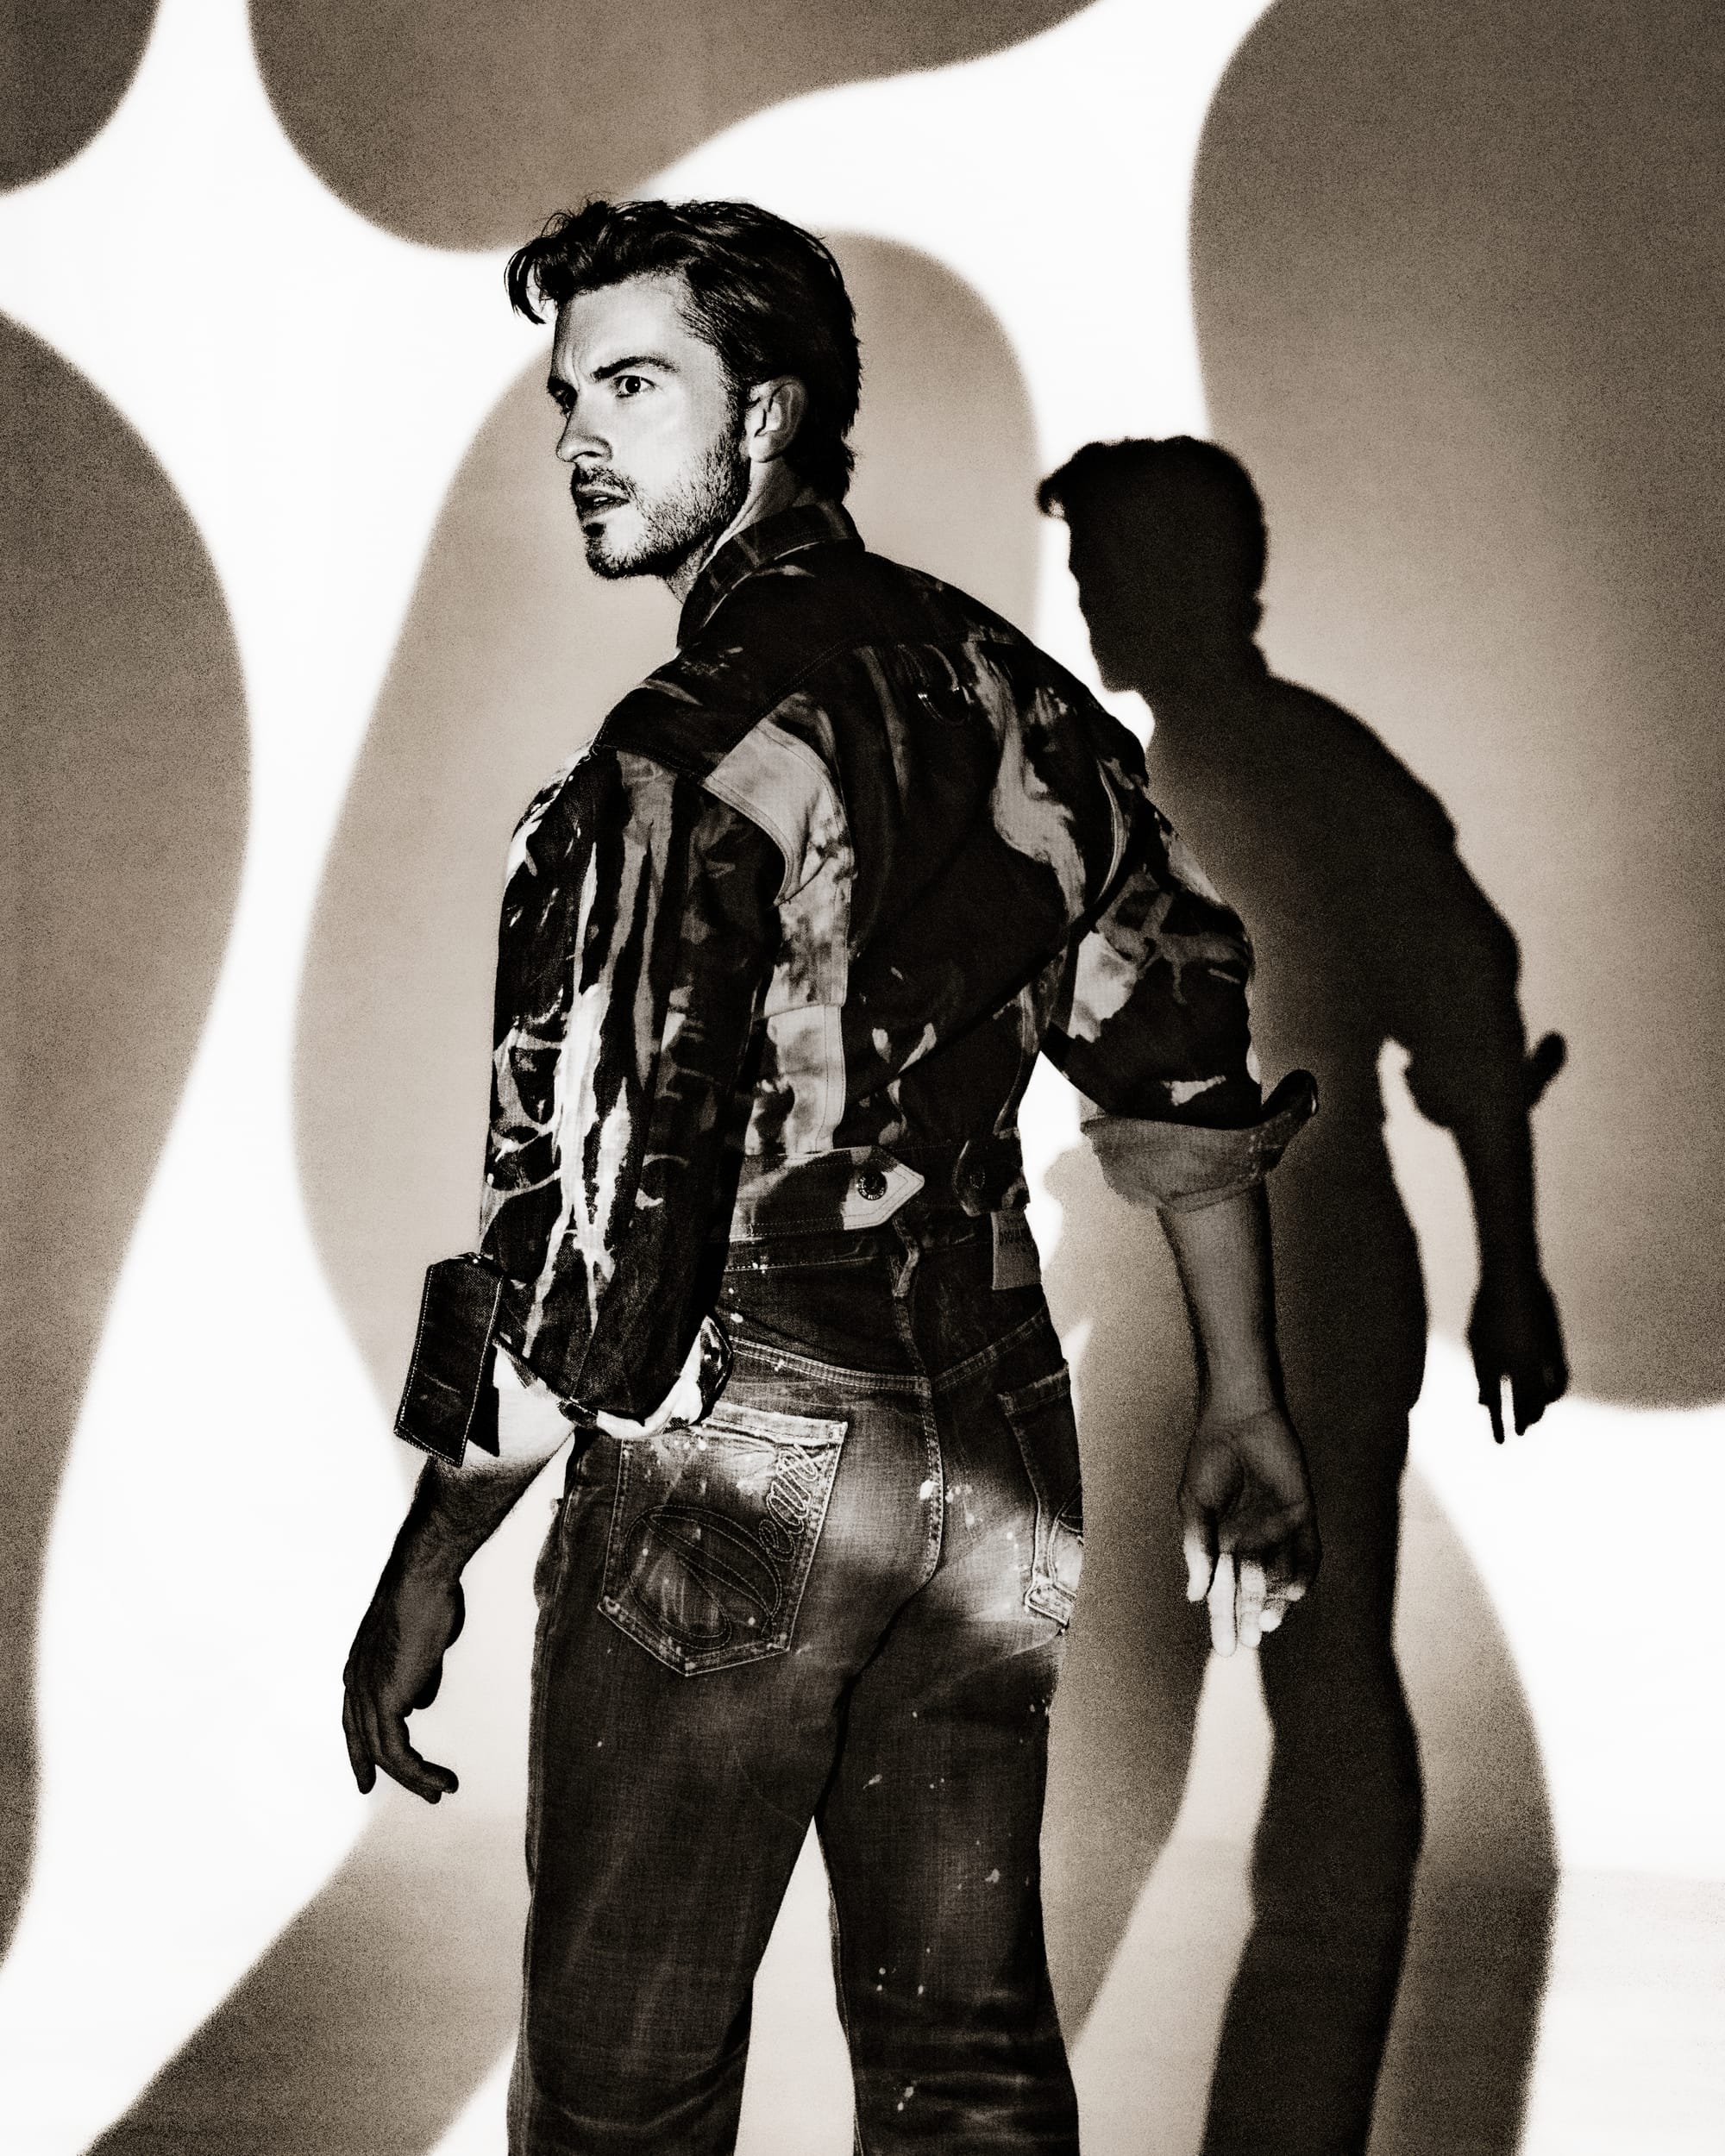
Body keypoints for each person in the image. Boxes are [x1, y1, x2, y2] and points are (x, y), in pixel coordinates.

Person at [342, 203, 1320, 2156]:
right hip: (994, 1434)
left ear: (769, 412)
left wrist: (430, 1552)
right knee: (968, 2060)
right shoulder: (1001, 685)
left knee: (625, 2081)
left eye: (635, 386)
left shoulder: (679, 757)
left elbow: (591, 1251)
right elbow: (1175, 1044)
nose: (580, 438)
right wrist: (1243, 1397)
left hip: (747, 1446)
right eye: (566, 398)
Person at [1038, 436, 1568, 2155]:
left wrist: (1515, 1271)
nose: (1095, 604)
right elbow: (1469, 1016)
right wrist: (1508, 1268)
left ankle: (1256, 2072)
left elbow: (1467, 1016)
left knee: (1267, 1665)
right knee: (1238, 1664)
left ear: (1210, 582)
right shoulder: (1207, 769)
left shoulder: (1255, 775)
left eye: (1116, 571)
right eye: (1090, 573)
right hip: (1236, 1273)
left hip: (1302, 1271)